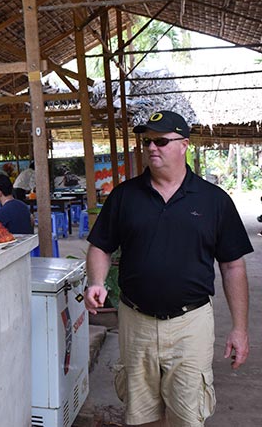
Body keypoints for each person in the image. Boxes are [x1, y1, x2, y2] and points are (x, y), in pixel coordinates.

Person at [84, 110, 252, 427]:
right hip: (136, 322)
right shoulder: (124, 196)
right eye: (147, 141)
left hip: (191, 324)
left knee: (188, 416)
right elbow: (101, 245)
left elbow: (232, 266)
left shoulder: (213, 200)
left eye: (161, 140)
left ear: (184, 144)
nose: (151, 148)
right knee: (140, 413)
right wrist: (96, 281)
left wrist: (239, 329)